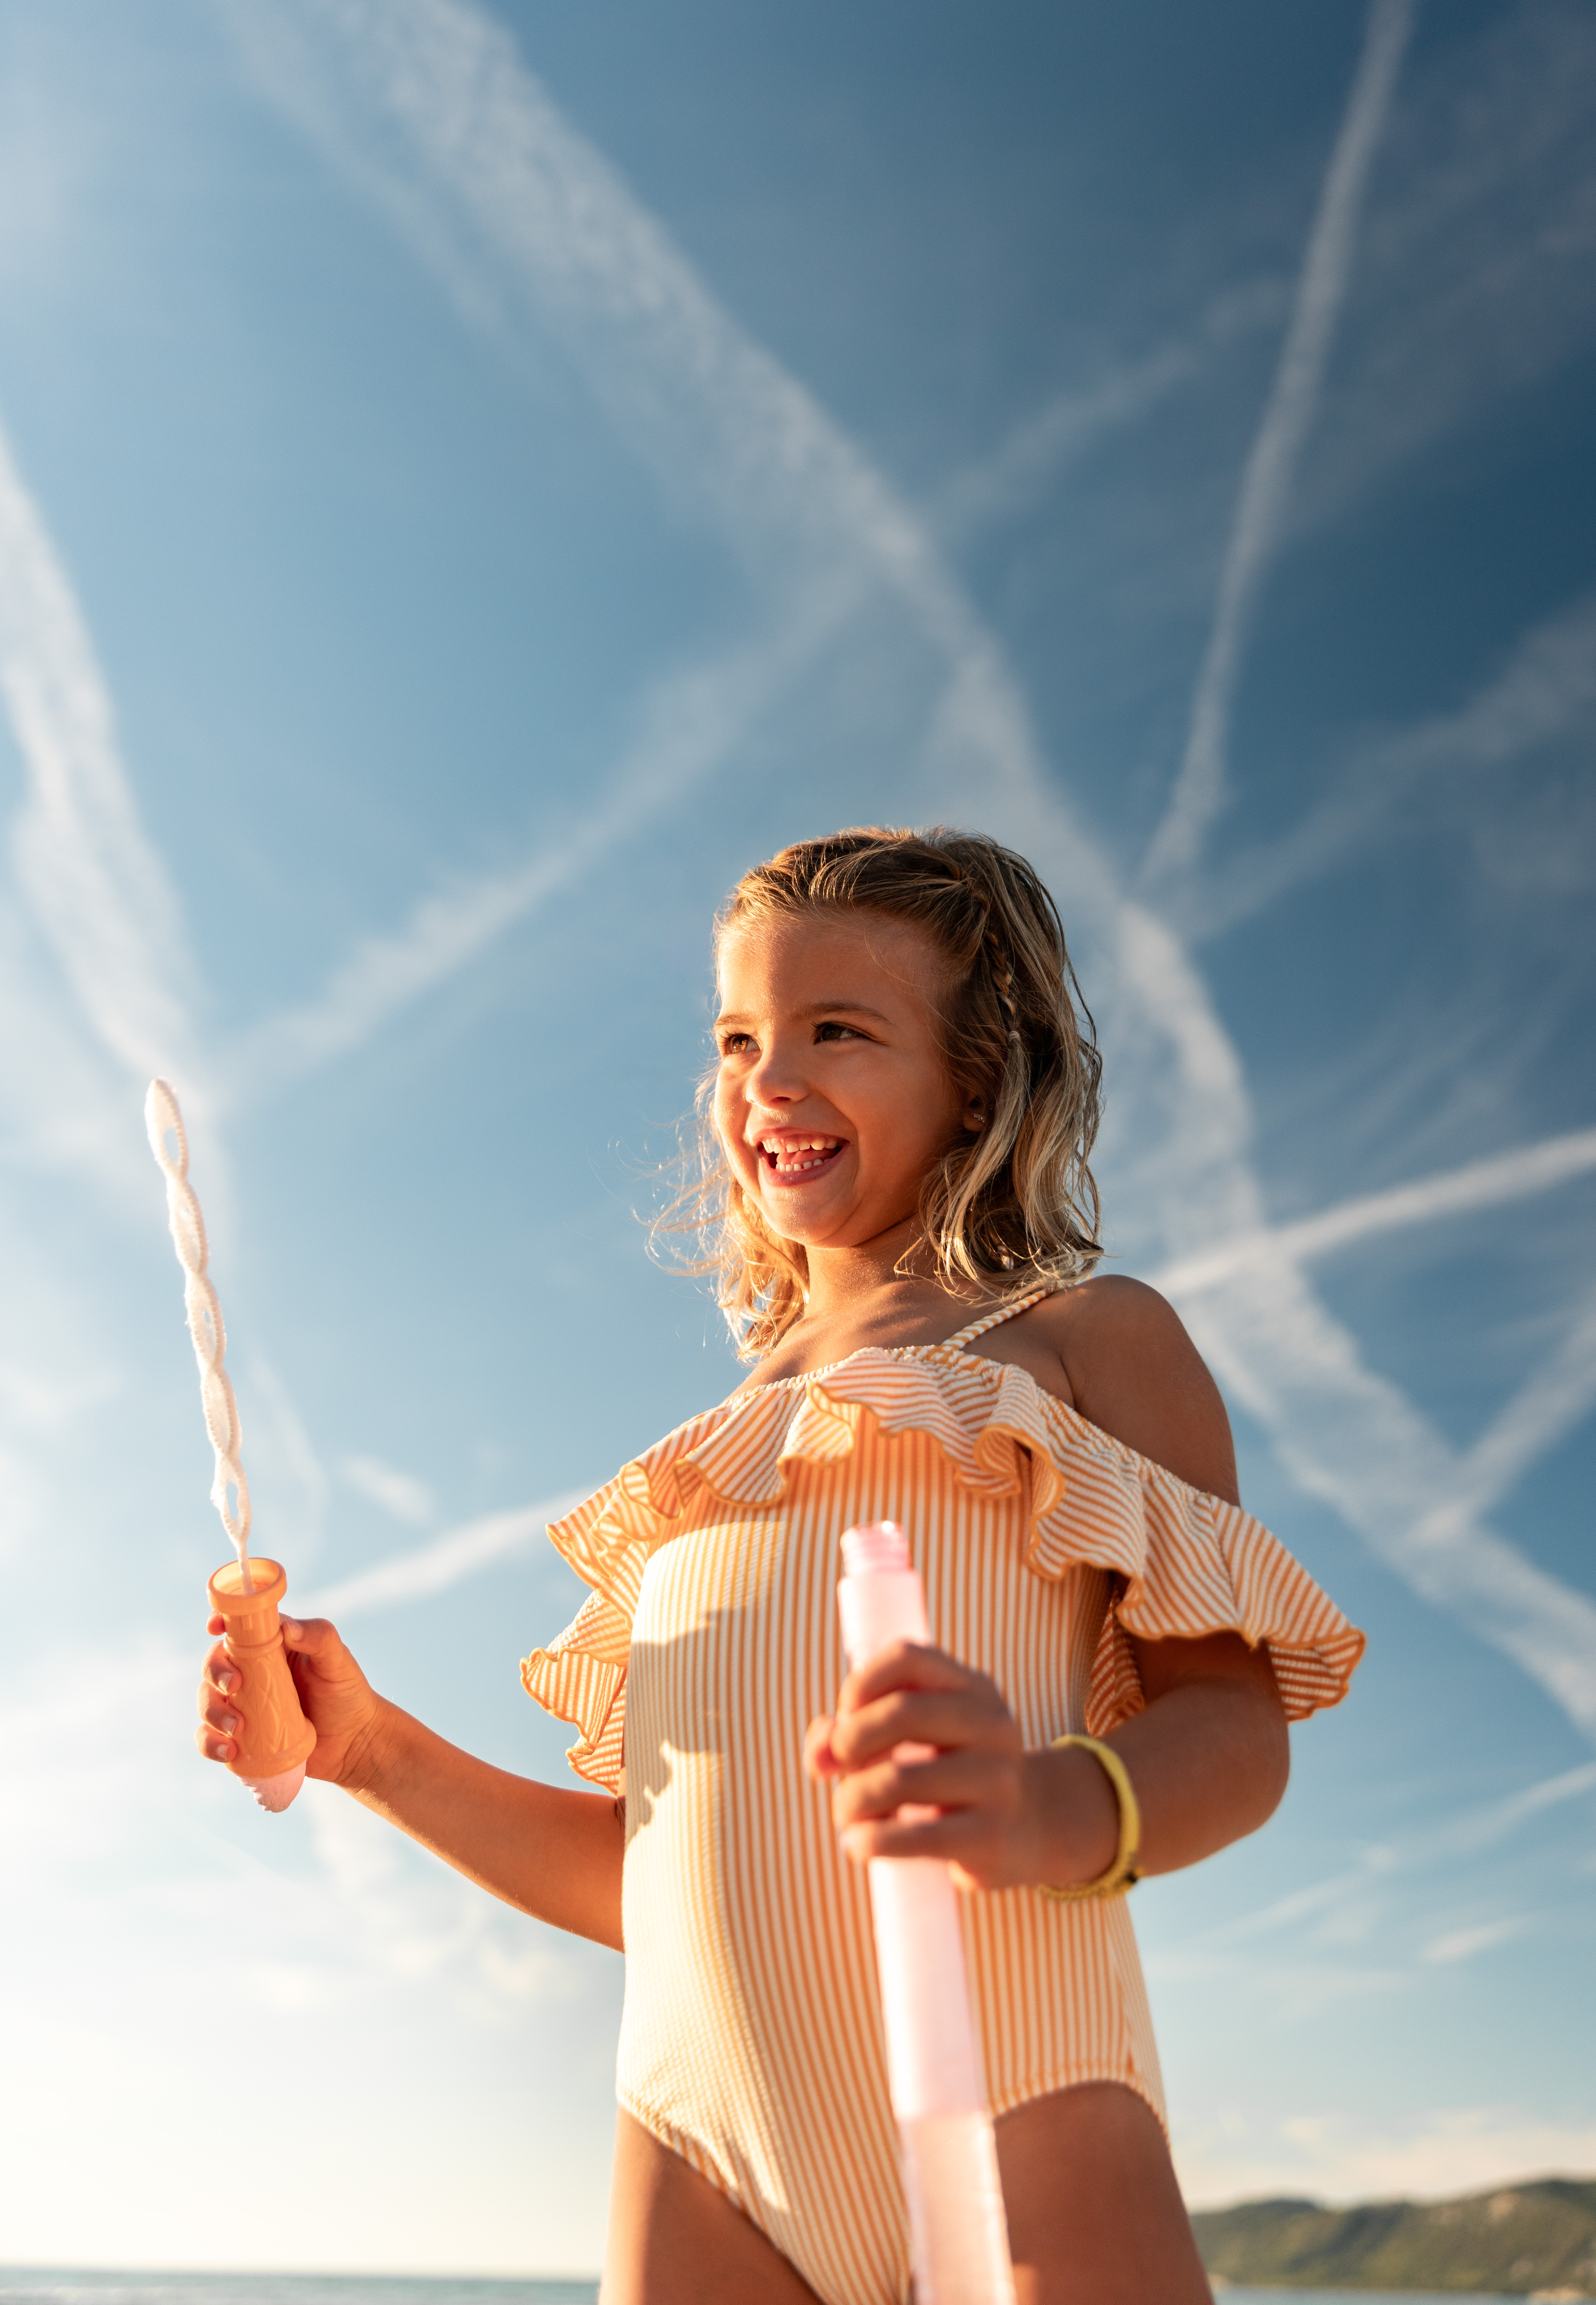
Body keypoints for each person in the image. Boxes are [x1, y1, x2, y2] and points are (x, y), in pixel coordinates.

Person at [198, 826, 1363, 2305]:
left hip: (1027, 2101)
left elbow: (1234, 1728)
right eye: (739, 1037)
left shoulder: (1084, 1341)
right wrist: (369, 1748)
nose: (769, 1080)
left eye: (838, 1029)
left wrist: (1043, 1799)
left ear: (977, 1075)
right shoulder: (702, 1465)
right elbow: (661, 1879)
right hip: (703, 2152)